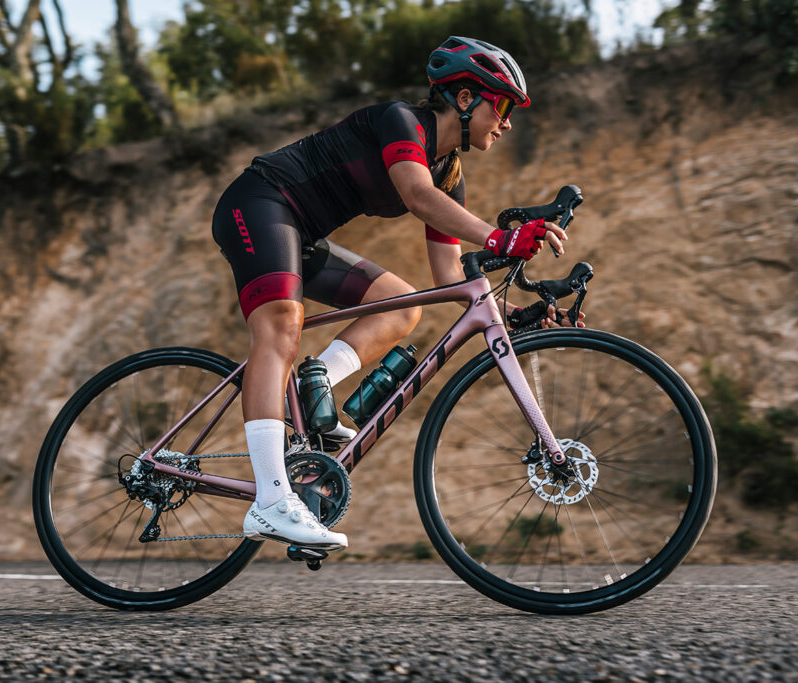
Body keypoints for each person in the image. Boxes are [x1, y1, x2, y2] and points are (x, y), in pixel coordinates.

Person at [212, 36, 582, 551]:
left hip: (301, 233)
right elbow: (415, 194)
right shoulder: (400, 122)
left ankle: (306, 390)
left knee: (400, 304)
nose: (507, 121)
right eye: (502, 105)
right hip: (259, 204)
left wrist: (516, 313)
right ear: (467, 98)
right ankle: (272, 502)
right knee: (280, 326)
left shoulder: (448, 173)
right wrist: (499, 237)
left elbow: (450, 277)